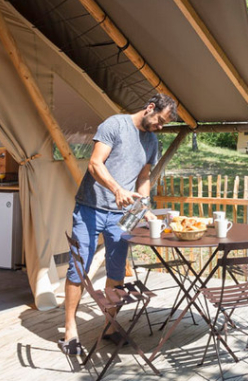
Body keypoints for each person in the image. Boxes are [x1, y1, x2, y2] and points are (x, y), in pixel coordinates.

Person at [60, 94, 177, 354]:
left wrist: (144, 206)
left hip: (121, 216)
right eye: (159, 121)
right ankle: (70, 329)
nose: (159, 128)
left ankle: (110, 327)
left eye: (163, 125)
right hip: (90, 207)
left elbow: (144, 176)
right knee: (78, 267)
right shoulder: (114, 125)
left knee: (116, 271)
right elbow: (94, 164)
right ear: (149, 108)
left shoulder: (152, 141)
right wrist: (116, 189)